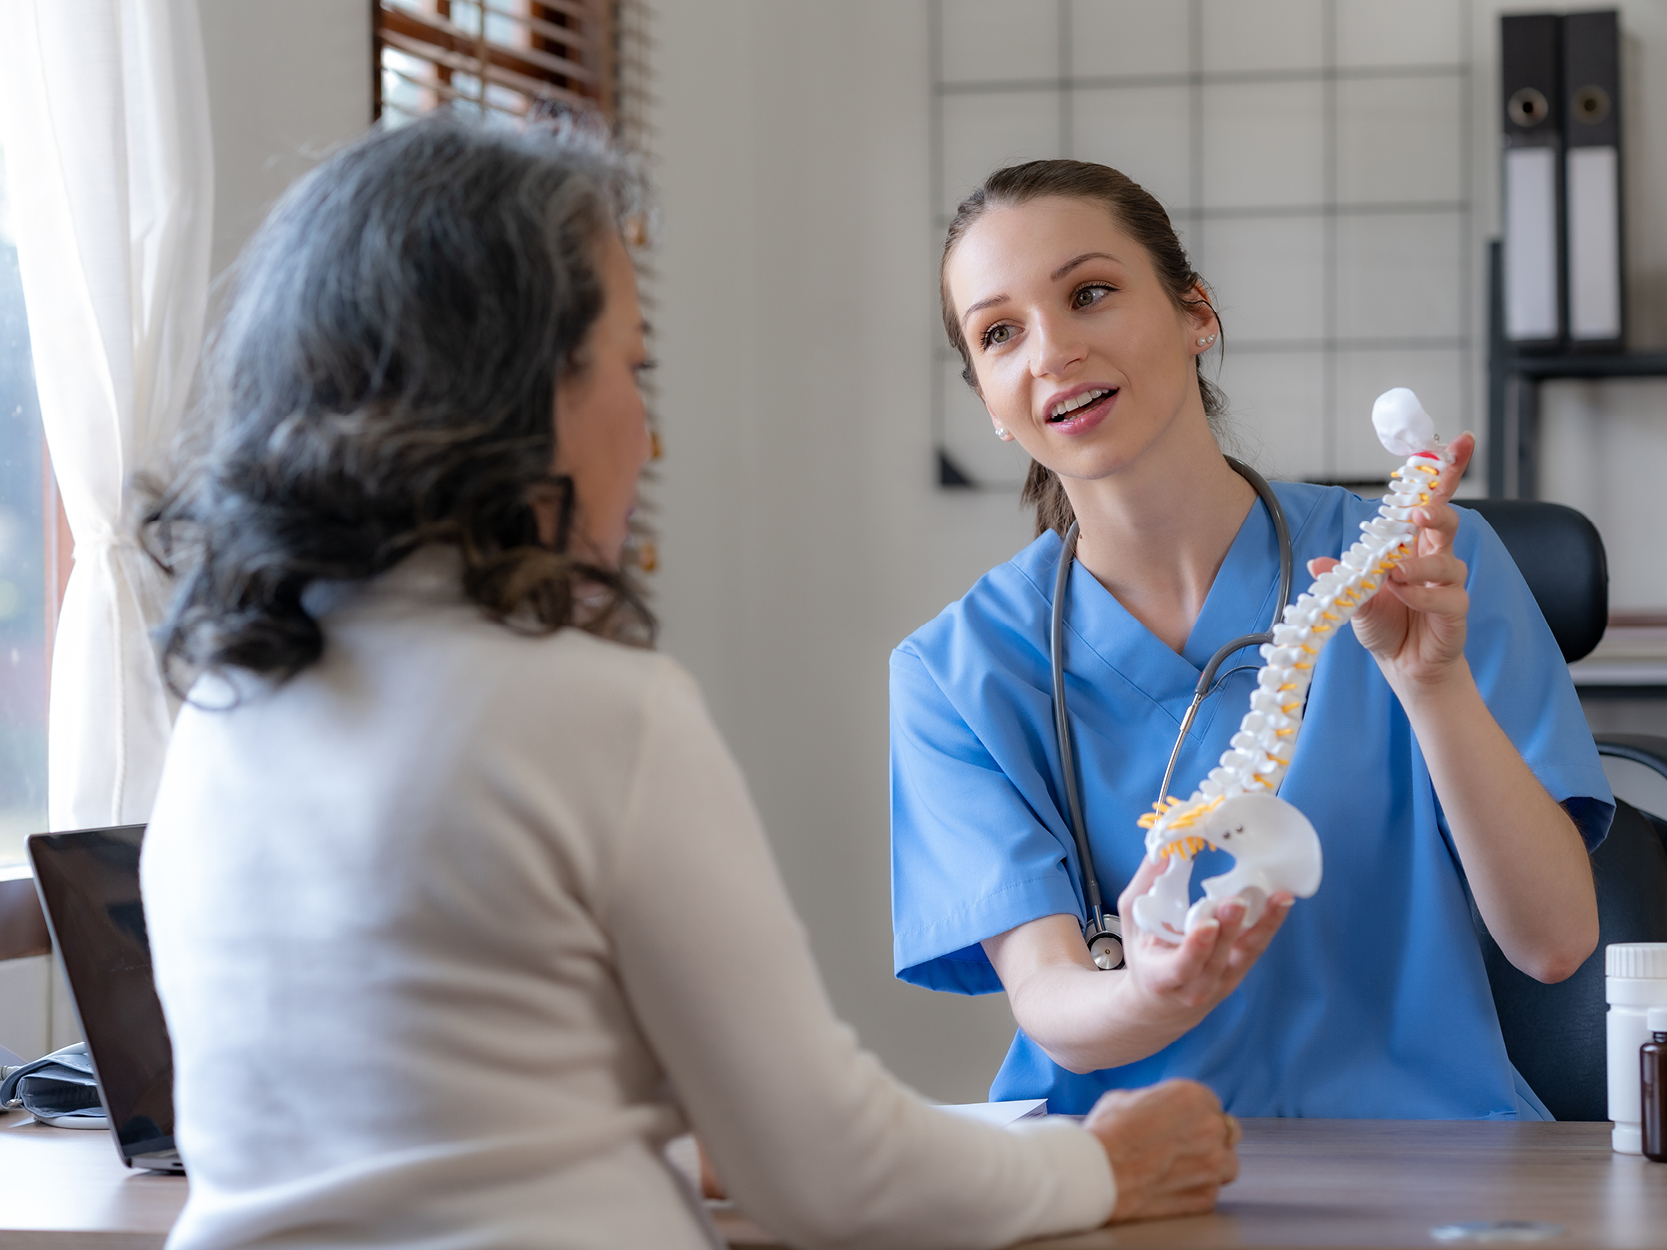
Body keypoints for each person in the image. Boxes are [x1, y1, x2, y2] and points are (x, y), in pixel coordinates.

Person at [135, 119, 1239, 1250]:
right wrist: (1105, 1165)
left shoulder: (226, 716)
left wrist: (656, 1140)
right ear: (516, 393)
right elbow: (830, 1172)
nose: (647, 434)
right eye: (631, 369)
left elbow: (427, 1127)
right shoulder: (594, 711)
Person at [890, 159, 1614, 1120]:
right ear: (988, 400)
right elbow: (1050, 998)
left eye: (1090, 293)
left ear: (1195, 313)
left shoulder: (1420, 564)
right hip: (1125, 1164)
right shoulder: (957, 674)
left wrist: (1431, 684)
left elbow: (1554, 942)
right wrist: (1152, 994)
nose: (1051, 351)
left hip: (1424, 1162)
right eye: (999, 333)